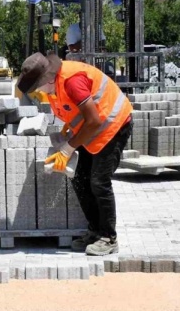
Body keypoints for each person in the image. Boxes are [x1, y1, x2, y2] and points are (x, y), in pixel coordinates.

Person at [17, 53, 133, 256]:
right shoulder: (54, 87)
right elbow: (76, 113)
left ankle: (108, 238)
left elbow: (95, 121)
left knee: (99, 181)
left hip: (113, 124)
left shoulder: (72, 82)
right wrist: (68, 132)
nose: (39, 93)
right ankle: (95, 230)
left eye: (38, 88)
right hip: (93, 127)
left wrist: (68, 147)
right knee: (79, 177)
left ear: (47, 78)